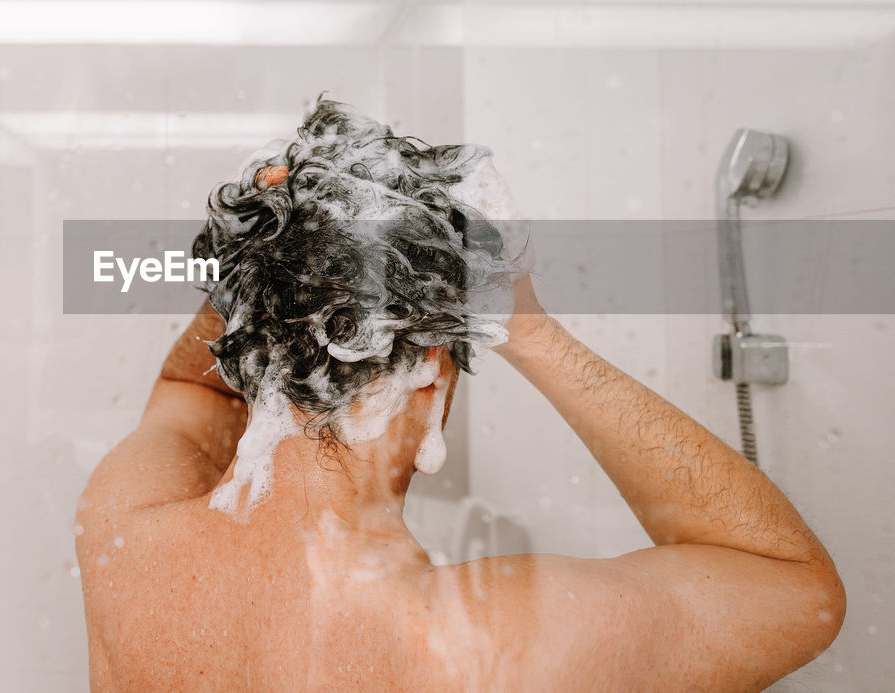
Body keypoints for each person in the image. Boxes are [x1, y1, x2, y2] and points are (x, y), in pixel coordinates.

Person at [75, 100, 844, 691]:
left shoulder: (123, 533)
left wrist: (267, 252)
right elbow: (791, 584)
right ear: (432, 370)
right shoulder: (482, 647)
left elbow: (186, 381)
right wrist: (532, 328)